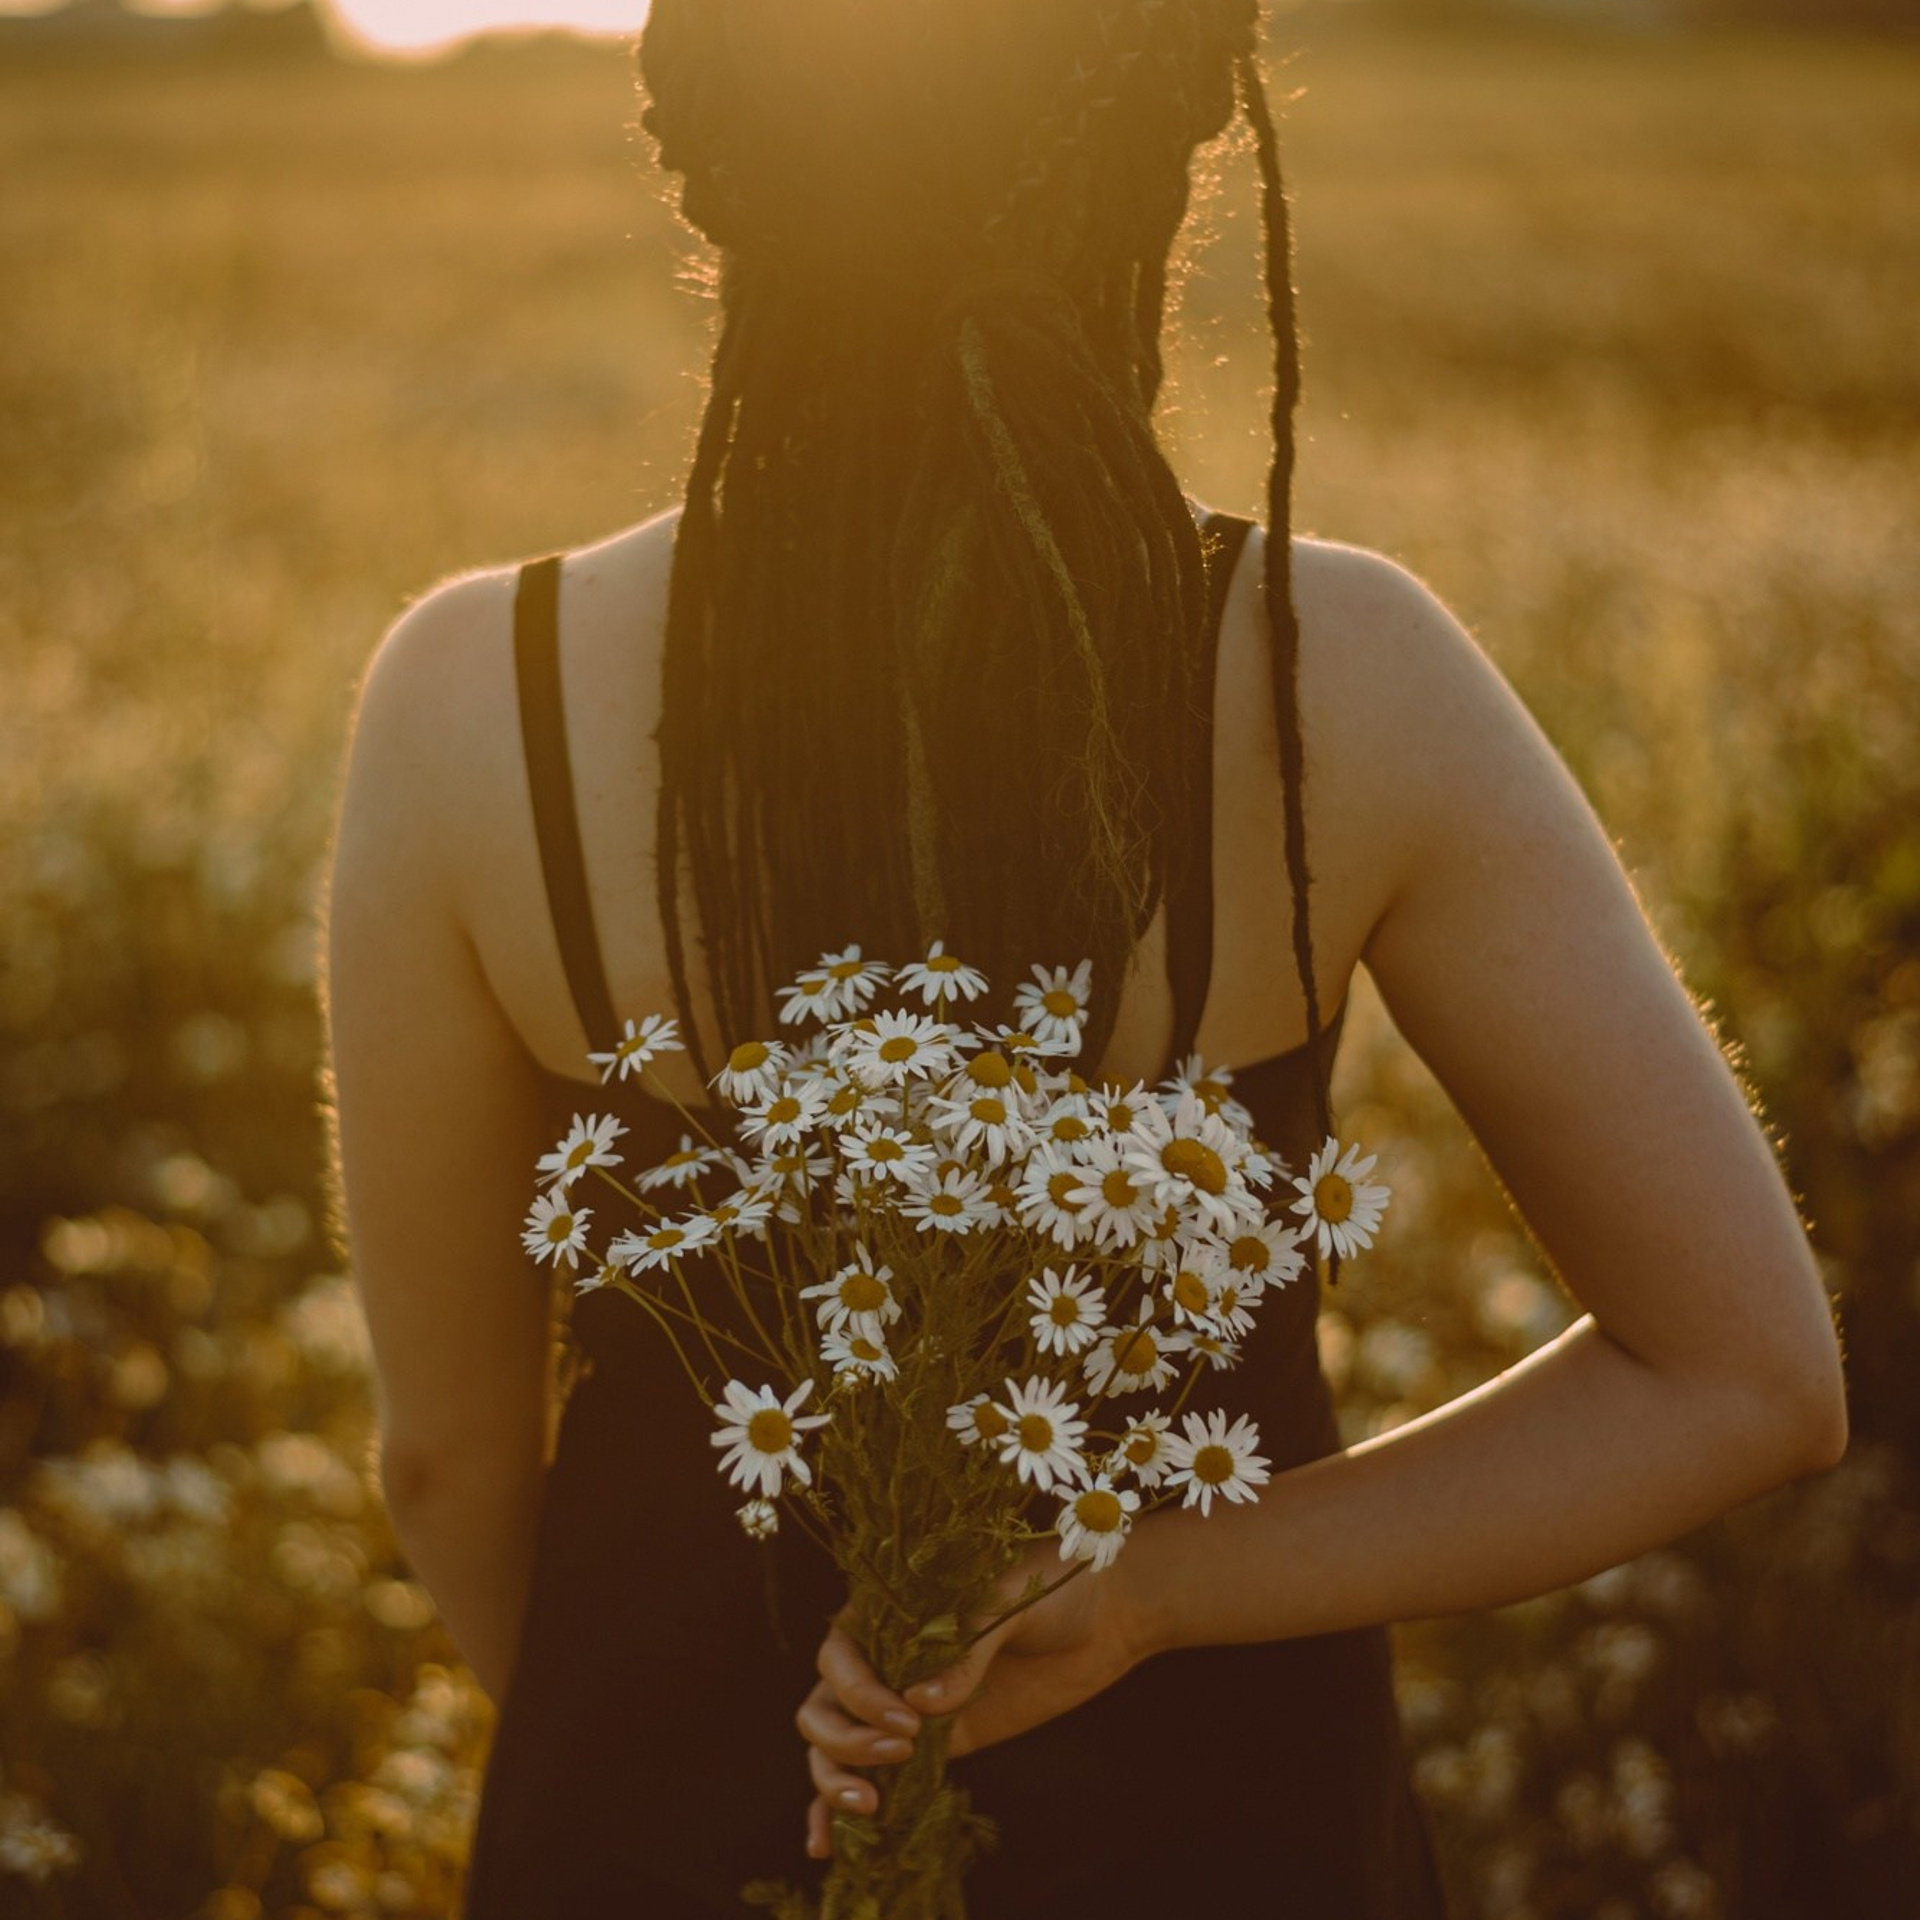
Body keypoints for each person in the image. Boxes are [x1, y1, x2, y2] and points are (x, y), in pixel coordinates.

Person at [321, 2, 1849, 1914]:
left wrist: (658, 1767)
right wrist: (1149, 1594)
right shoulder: (1338, 676)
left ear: (723, 170)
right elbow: (1744, 1378)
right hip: (1228, 1831)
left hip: (674, 1822)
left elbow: (448, 1468)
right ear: (1165, 178)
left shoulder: (478, 699)